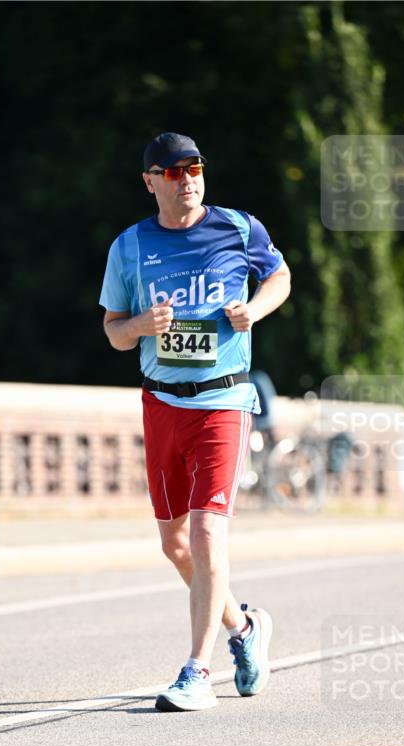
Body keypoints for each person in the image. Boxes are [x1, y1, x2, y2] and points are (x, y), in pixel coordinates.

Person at [99, 132, 291, 711]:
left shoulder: (238, 228)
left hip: (224, 401)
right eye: (174, 170)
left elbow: (279, 277)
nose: (188, 178)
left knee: (208, 531)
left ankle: (196, 672)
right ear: (150, 181)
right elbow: (112, 330)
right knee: (175, 543)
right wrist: (140, 326)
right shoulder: (130, 246)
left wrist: (252, 311)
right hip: (162, 403)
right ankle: (246, 627)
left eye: (195, 167)